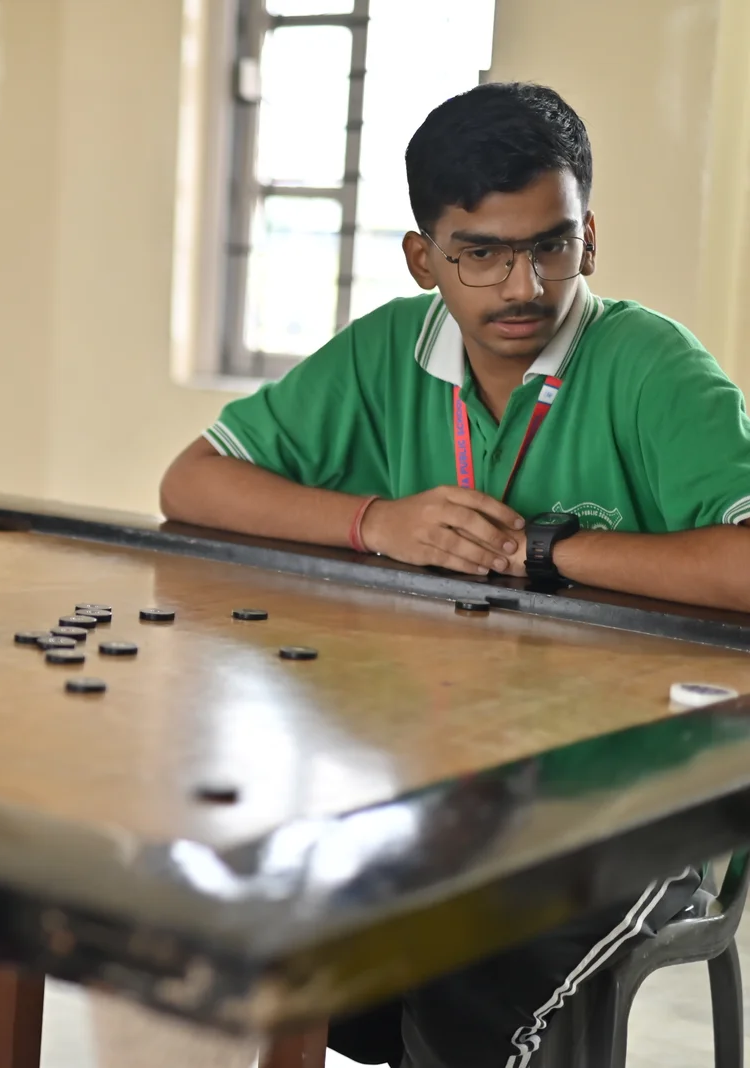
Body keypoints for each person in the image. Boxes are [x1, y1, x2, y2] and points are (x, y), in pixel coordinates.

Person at [160, 82, 750, 1066]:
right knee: (283, 918)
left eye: (550, 246)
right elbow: (191, 482)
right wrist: (373, 523)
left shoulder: (653, 367)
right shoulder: (384, 351)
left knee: (469, 950)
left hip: (642, 796)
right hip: (437, 775)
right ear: (422, 256)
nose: (524, 286)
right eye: (481, 254)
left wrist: (547, 551)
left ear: (588, 238)